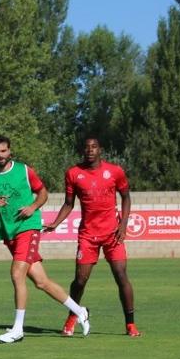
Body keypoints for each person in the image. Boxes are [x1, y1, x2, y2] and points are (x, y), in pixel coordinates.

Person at [0, 134, 89, 343]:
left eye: (3, 151)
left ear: (10, 151)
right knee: (41, 282)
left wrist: (33, 207)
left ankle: (18, 329)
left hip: (28, 228)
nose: (0, 155)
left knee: (17, 274)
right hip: (9, 233)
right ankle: (80, 311)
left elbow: (43, 192)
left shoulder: (23, 170)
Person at [43, 136, 140, 337]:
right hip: (88, 235)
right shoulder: (73, 173)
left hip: (113, 234)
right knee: (79, 280)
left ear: (100, 150)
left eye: (94, 147)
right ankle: (74, 316)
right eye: (86, 147)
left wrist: (123, 225)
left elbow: (126, 197)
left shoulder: (115, 171)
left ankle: (130, 324)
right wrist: (55, 222)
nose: (90, 150)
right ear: (82, 151)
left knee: (121, 276)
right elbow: (69, 203)